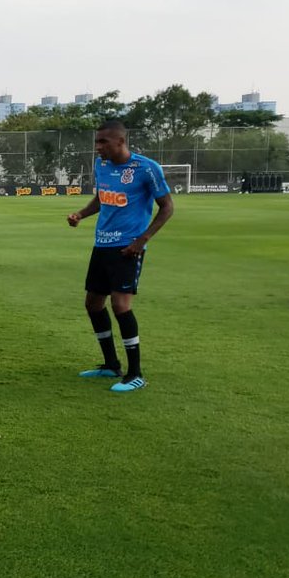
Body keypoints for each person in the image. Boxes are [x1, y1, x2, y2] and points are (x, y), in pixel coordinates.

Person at [68, 119, 174, 393]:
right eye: (97, 142)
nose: (98, 147)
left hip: (128, 247)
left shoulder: (146, 168)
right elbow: (102, 198)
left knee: (121, 305)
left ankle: (135, 373)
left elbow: (166, 207)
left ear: (120, 142)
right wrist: (81, 214)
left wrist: (142, 240)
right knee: (93, 304)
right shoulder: (101, 165)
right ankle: (110, 364)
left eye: (103, 142)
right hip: (102, 244)